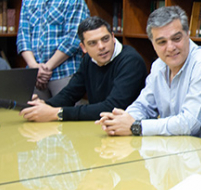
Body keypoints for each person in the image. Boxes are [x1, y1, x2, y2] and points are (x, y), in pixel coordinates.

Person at [96, 5, 201, 144]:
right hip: (179, 150)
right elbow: (143, 106)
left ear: (187, 34)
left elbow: (189, 124)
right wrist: (119, 121)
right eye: (162, 42)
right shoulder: (158, 66)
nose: (170, 48)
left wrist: (136, 126)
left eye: (176, 39)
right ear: (152, 44)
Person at [19, 16, 147, 122]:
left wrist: (56, 113)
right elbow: (70, 93)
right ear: (83, 47)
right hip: (100, 126)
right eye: (93, 43)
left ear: (113, 37)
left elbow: (112, 107)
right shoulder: (89, 60)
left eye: (105, 39)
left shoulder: (130, 60)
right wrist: (44, 106)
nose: (101, 46)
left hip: (128, 131)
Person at [16, 0, 90, 99]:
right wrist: (34, 67)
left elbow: (73, 40)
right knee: (32, 117)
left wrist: (47, 67)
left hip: (65, 72)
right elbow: (23, 36)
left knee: (65, 117)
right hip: (34, 74)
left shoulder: (74, 0)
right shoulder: (29, 1)